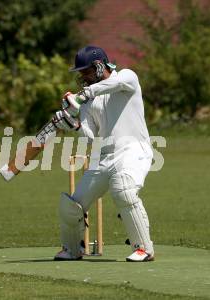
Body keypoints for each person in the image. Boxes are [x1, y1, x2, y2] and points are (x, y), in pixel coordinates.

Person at [52, 46, 155, 262]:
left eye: (86, 72)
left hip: (133, 149)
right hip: (104, 156)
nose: (83, 77)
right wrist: (75, 125)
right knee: (72, 205)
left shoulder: (127, 78)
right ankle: (72, 250)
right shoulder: (89, 101)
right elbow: (91, 139)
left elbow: (113, 84)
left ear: (99, 66)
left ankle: (144, 249)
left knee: (123, 188)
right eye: (80, 73)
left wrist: (86, 93)